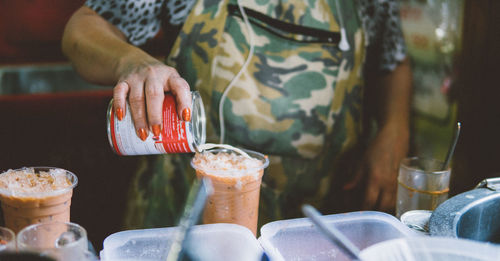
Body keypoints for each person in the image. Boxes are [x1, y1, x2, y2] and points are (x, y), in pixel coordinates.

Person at [62, 0, 411, 229]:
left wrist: (395, 128)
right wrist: (132, 61)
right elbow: (83, 27)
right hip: (186, 218)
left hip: (317, 225)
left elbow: (391, 59)